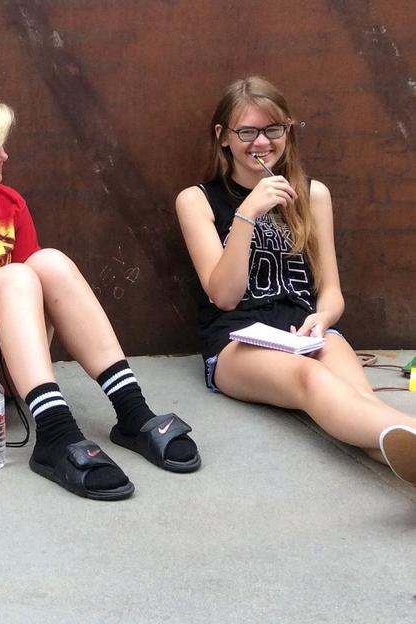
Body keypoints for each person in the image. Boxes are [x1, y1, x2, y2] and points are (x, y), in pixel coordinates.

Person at [0, 89, 201, 501]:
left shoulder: (9, 203)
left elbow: (40, 292)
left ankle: (133, 411)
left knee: (49, 262)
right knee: (16, 277)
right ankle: (54, 433)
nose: (4, 155)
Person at [174, 76, 416, 485]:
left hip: (306, 330)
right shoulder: (196, 200)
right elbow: (225, 297)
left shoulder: (312, 194)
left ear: (287, 131)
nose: (261, 143)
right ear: (223, 137)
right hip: (236, 342)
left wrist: (323, 320)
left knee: (360, 401)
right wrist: (247, 214)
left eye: (273, 130)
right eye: (247, 131)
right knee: (313, 380)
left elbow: (331, 292)